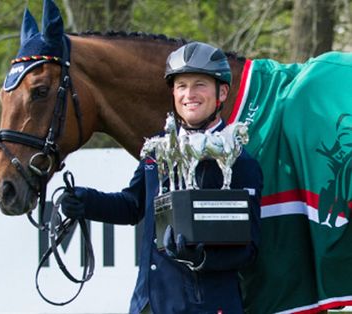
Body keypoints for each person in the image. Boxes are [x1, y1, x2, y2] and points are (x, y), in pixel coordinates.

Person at [61, 41, 263, 314]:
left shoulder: (238, 159)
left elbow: (248, 249)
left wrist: (201, 257)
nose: (189, 94)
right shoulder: (158, 148)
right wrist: (85, 202)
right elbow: (133, 205)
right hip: (148, 305)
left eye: (199, 84)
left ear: (222, 92)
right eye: (181, 86)